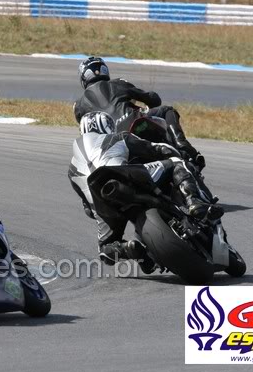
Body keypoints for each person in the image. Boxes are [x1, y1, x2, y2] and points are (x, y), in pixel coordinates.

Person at [68, 112, 222, 272]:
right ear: (108, 126)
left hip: (100, 201)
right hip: (123, 175)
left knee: (105, 248)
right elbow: (155, 148)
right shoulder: (118, 137)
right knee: (176, 163)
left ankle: (129, 249)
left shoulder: (72, 169)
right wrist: (177, 153)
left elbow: (88, 210)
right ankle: (194, 202)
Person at [73, 56, 205, 169]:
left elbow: (87, 132)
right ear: (104, 71)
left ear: (83, 78)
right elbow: (153, 100)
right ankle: (182, 144)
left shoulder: (78, 106)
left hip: (109, 144)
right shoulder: (118, 83)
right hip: (133, 124)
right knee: (167, 110)